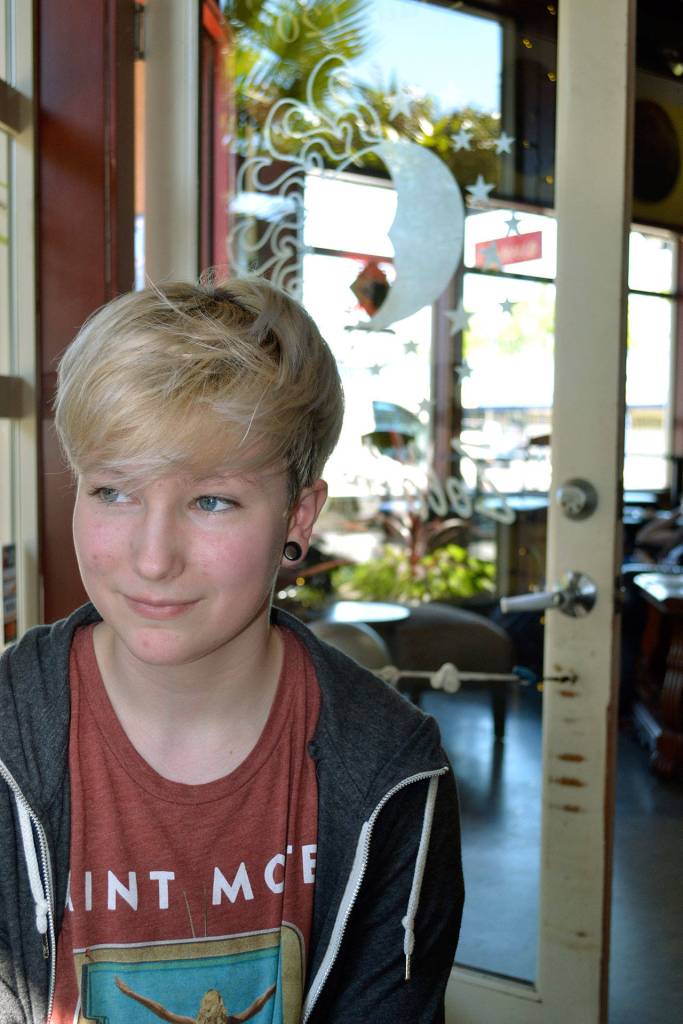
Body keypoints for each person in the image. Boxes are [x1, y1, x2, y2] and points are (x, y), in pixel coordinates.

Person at [0, 276, 464, 1024]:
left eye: (211, 501)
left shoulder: (393, 770)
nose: (153, 559)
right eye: (113, 491)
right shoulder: (9, 739)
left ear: (298, 517)